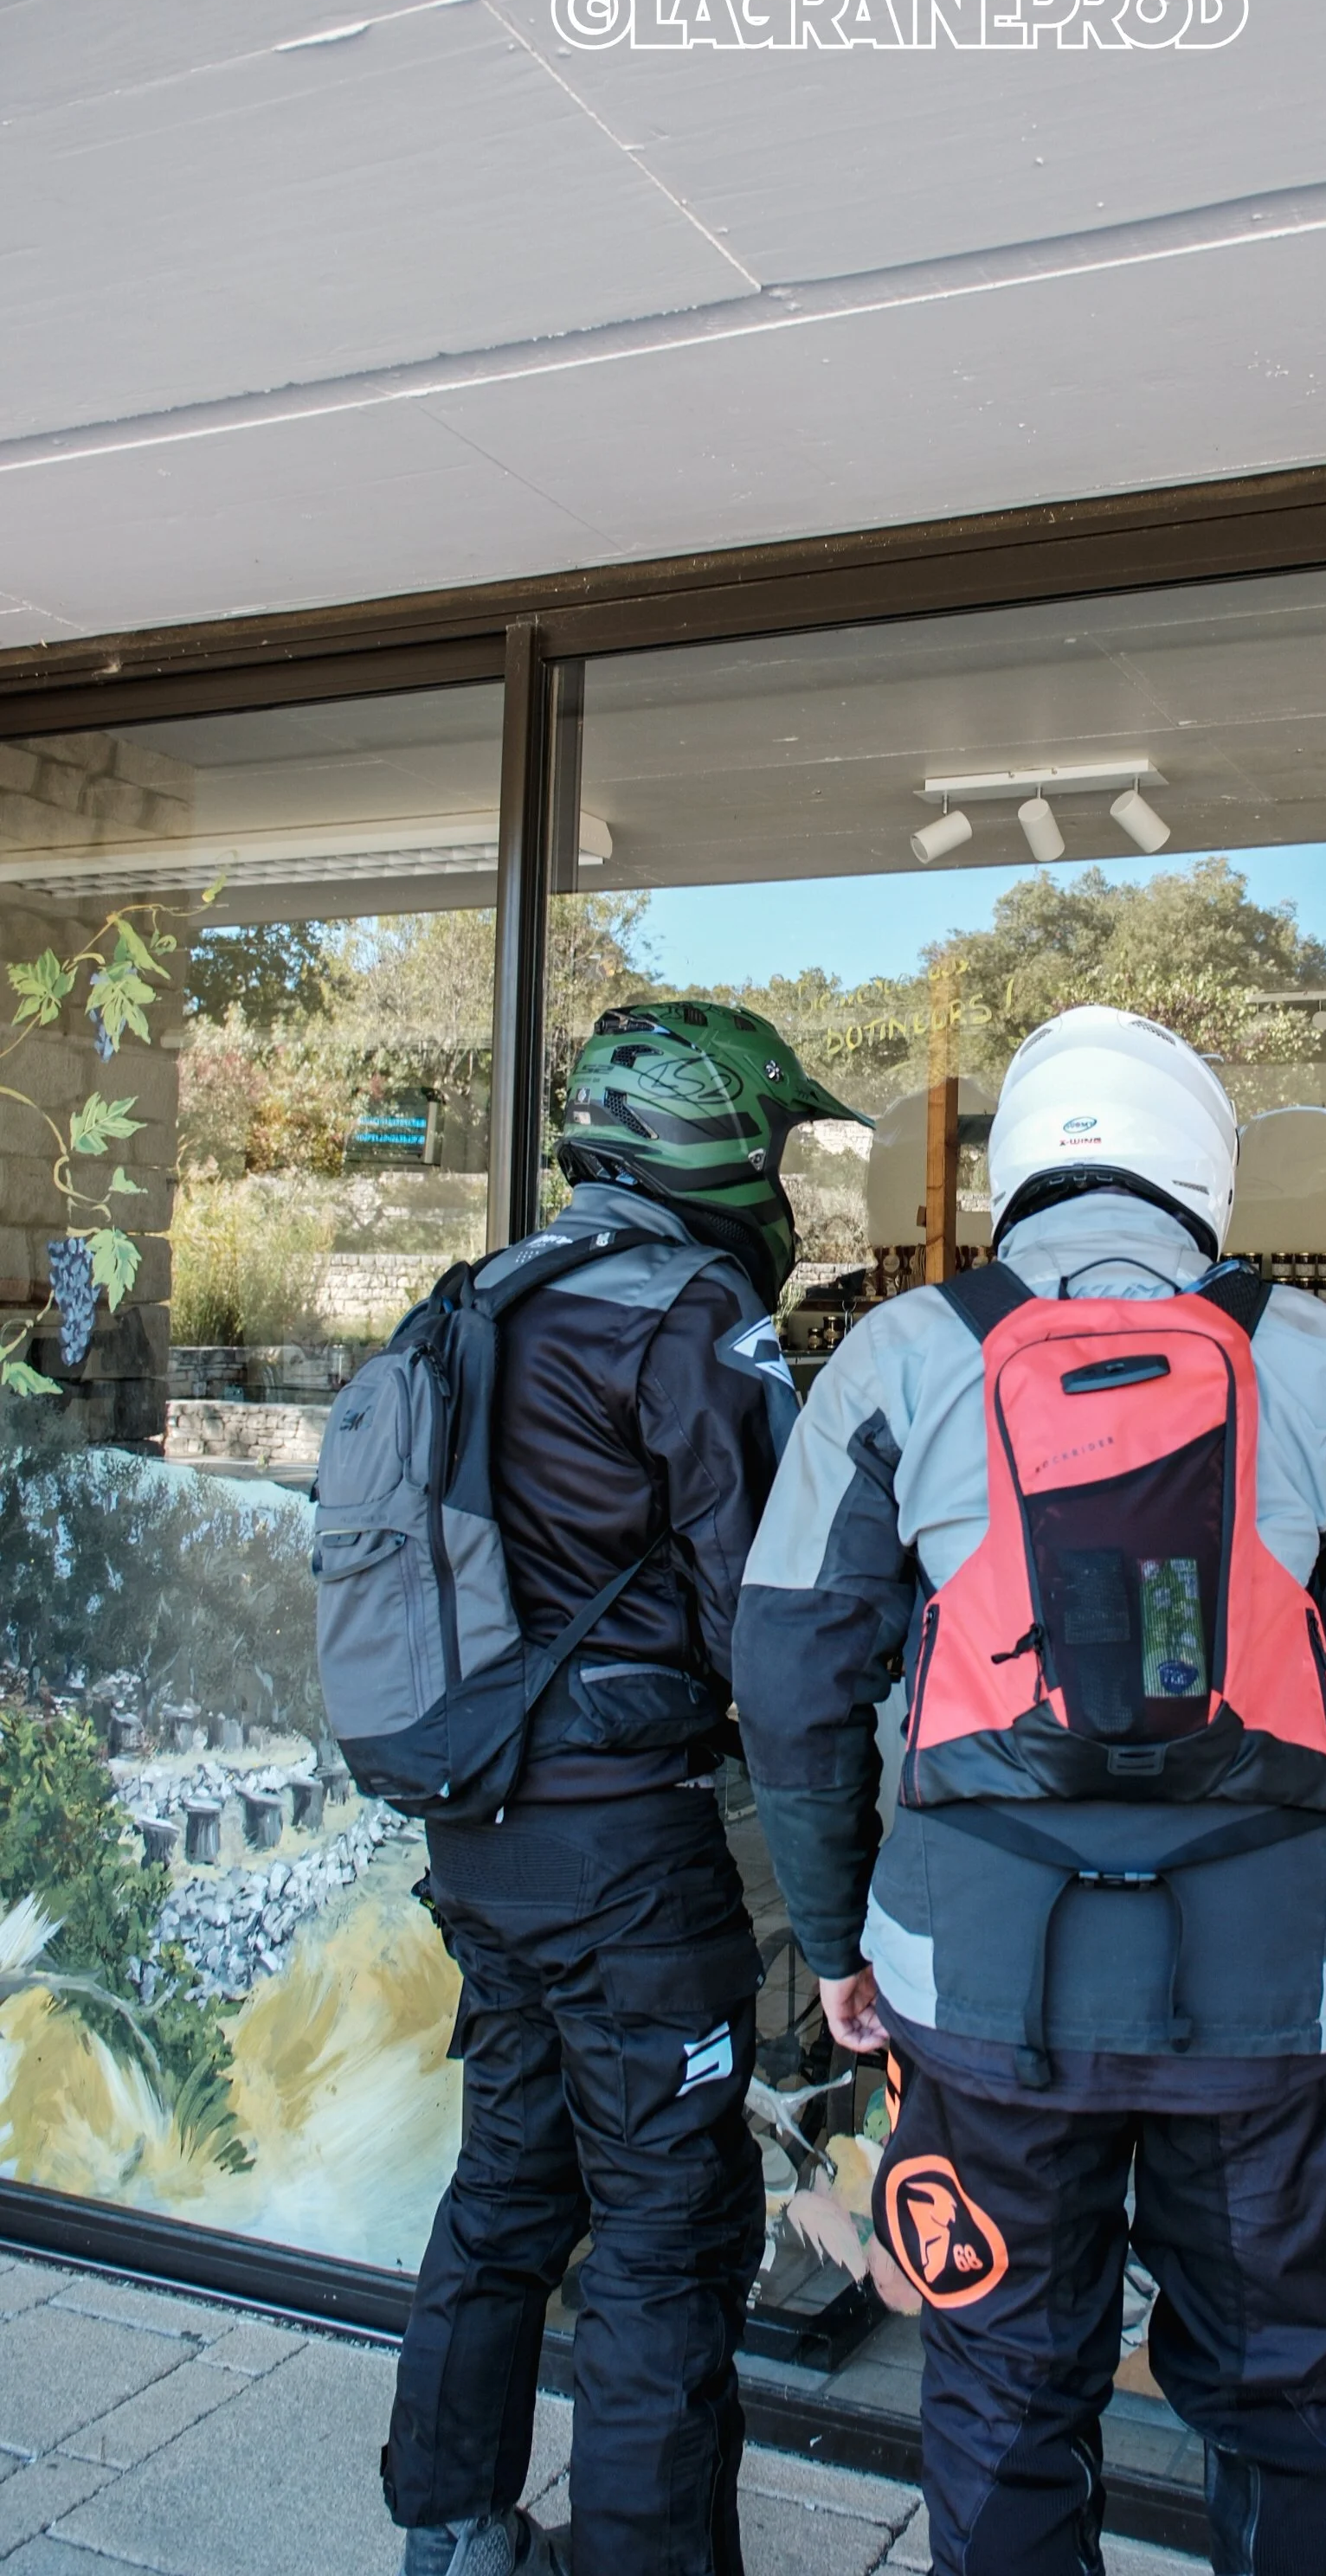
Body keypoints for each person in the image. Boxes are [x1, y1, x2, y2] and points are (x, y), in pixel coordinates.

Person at [732, 1005, 1326, 2576]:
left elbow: (791, 1674)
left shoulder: (900, 1353)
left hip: (978, 1983)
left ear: (1022, 1165)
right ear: (1197, 1170)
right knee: (1288, 2396)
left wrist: (834, 1941)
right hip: (1266, 1982)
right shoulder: (1317, 1359)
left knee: (1006, 2395)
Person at [382, 999, 864, 2576]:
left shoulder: (486, 1294)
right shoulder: (686, 1313)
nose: (785, 1173)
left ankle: (450, 2530)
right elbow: (775, 1621)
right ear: (717, 1139)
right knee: (667, 2234)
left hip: (480, 1835)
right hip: (626, 1859)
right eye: (780, 1138)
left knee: (508, 2183)